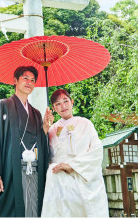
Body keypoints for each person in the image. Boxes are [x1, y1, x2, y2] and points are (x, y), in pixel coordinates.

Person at [0, 66, 54, 217]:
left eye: (33, 80)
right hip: (10, 170)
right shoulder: (3, 106)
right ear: (15, 81)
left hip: (33, 170)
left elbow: (38, 141)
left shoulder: (36, 113)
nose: (29, 82)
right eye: (25, 78)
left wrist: (45, 127)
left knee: (33, 207)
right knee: (10, 209)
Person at [41, 89, 109, 217]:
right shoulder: (52, 129)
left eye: (66, 101)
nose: (63, 106)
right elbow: (44, 154)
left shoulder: (85, 124)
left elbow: (96, 151)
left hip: (82, 175)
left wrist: (72, 166)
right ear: (54, 108)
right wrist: (45, 127)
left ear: (72, 102)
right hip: (60, 181)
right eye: (58, 104)